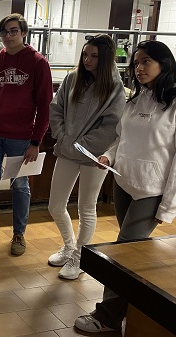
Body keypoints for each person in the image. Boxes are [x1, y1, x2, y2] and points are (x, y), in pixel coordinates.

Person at [75, 40, 176, 333]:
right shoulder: (137, 98)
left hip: (151, 191)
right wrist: (109, 155)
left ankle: (106, 316)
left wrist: (168, 206)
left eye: (146, 62)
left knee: (121, 255)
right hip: (123, 181)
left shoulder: (172, 104)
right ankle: (128, 308)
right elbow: (123, 138)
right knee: (129, 254)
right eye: (136, 63)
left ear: (164, 64)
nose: (139, 68)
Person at [0, 13, 53, 256]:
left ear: (24, 33)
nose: (8, 36)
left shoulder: (38, 63)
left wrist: (36, 141)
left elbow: (45, 106)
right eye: (4, 32)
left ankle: (19, 234)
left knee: (20, 185)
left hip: (21, 137)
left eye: (13, 31)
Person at [47, 34, 126, 280]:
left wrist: (82, 145)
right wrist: (62, 136)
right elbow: (56, 107)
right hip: (67, 150)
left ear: (106, 60)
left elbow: (111, 126)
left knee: (86, 207)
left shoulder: (114, 87)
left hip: (94, 157)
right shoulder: (72, 79)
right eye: (85, 55)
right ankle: (69, 246)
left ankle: (79, 257)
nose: (87, 60)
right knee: (55, 205)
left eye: (94, 56)